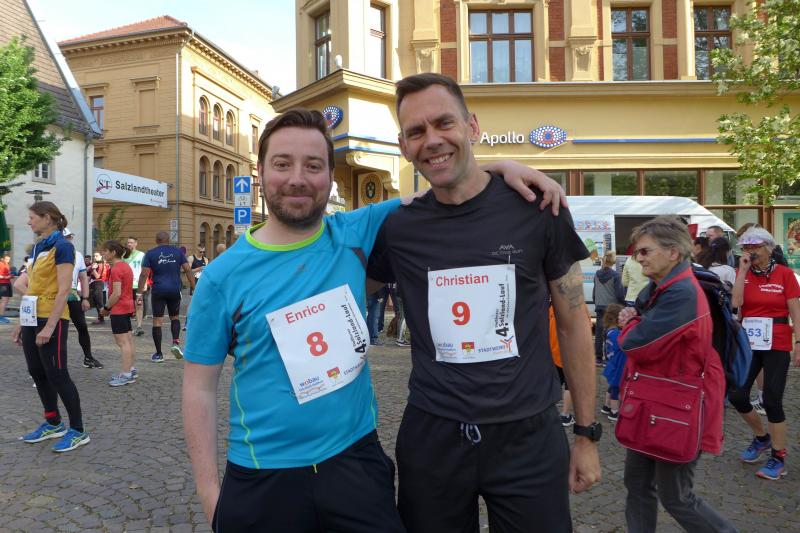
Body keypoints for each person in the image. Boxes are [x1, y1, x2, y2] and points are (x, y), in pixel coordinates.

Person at [182, 108, 567, 530]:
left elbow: (448, 184)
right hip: (263, 474)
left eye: (313, 166)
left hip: (355, 464)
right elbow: (199, 388)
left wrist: (503, 166)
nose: (297, 178)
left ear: (330, 177)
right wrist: (210, 493)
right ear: (260, 171)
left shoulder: (357, 230)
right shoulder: (221, 277)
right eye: (282, 164)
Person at [367, 73, 600, 532]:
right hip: (433, 437)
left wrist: (587, 434)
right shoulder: (399, 227)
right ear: (403, 146)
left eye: (444, 123)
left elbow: (574, 324)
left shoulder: (538, 209)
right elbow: (344, 286)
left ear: (472, 126)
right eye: (416, 131)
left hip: (528, 437)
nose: (432, 140)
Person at [617, 216, 733, 532]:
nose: (638, 258)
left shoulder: (681, 293)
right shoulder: (662, 288)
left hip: (676, 405)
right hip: (653, 401)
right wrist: (635, 317)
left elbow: (637, 344)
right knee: (637, 483)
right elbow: (642, 325)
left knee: (677, 496)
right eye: (637, 252)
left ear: (673, 253)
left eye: (645, 251)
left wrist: (631, 321)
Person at [12, 201, 90, 452]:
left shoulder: (63, 246)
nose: (28, 221)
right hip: (32, 316)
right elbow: (32, 286)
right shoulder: (38, 246)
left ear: (47, 218)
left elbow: (64, 289)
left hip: (51, 317)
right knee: (37, 371)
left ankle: (78, 430)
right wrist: (21, 322)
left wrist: (50, 327)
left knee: (57, 373)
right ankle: (53, 422)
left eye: (32, 217)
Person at [729, 226, 800, 480]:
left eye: (755, 247)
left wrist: (799, 342)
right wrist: (742, 272)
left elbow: (795, 310)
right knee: (737, 394)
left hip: (777, 342)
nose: (750, 252)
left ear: (768, 248)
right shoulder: (743, 272)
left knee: (771, 400)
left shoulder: (785, 274)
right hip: (750, 342)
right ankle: (761, 438)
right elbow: (736, 304)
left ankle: (778, 457)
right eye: (746, 247)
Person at [137, 231, 194, 363]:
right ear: (169, 240)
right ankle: (175, 343)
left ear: (156, 240)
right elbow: (188, 270)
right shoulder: (178, 252)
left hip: (159, 290)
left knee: (157, 321)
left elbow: (144, 274)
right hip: (174, 289)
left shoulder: (150, 254)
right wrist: (194, 288)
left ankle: (158, 354)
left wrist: (139, 293)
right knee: (175, 317)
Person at [62, 229, 103, 369]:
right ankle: (56, 363)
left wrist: (85, 298)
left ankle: (88, 357)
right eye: (66, 237)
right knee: (60, 330)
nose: (68, 240)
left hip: (73, 296)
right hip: (55, 295)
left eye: (69, 237)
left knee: (82, 327)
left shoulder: (78, 255)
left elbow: (84, 277)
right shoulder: (52, 253)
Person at [99, 240, 137, 386]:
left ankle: (126, 374)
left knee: (122, 342)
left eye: (105, 251)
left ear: (113, 252)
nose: (103, 253)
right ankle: (130, 369)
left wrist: (106, 308)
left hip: (119, 309)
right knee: (128, 340)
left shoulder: (116, 269)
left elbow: (116, 293)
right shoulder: (125, 266)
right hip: (127, 306)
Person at [592, 250, 625, 365]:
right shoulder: (616, 275)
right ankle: (607, 358)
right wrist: (623, 305)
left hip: (599, 306)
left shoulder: (596, 274)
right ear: (614, 261)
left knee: (598, 333)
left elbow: (594, 292)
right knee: (609, 333)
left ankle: (598, 358)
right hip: (611, 308)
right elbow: (619, 295)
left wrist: (596, 302)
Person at [549, 304, 574, 427]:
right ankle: (565, 415)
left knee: (555, 383)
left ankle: (550, 412)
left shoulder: (551, 308)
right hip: (569, 354)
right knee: (570, 386)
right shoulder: (576, 307)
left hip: (554, 352)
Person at [600, 303, 625, 422]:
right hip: (618, 366)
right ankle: (614, 411)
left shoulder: (609, 332)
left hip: (611, 364)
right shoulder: (617, 334)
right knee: (616, 389)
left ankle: (607, 406)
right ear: (617, 319)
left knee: (611, 387)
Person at [124, 236, 146, 336]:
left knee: (139, 305)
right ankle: (127, 327)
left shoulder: (141, 255)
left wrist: (145, 283)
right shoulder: (123, 255)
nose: (129, 244)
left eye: (131, 242)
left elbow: (145, 270)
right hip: (126, 285)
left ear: (136, 244)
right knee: (127, 306)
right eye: (128, 242)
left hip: (138, 285)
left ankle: (139, 326)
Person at [0, 253, 13, 323]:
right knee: (4, 301)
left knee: (6, 300)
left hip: (7, 284)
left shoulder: (7, 265)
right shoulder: (0, 264)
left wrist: (10, 275)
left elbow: (7, 274)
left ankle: (2, 316)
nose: (7, 260)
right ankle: (1, 317)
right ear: (2, 259)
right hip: (3, 284)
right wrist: (6, 277)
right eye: (6, 259)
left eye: (8, 259)